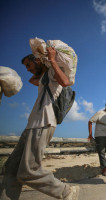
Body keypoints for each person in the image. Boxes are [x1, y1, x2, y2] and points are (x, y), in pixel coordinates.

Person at [0, 51, 79, 200]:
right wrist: (39, 67)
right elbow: (32, 80)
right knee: (10, 168)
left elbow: (65, 82)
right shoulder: (44, 77)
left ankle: (66, 192)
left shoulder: (52, 73)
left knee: (29, 171)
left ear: (37, 60)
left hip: (43, 122)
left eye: (29, 65)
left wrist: (51, 61)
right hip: (31, 125)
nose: (28, 70)